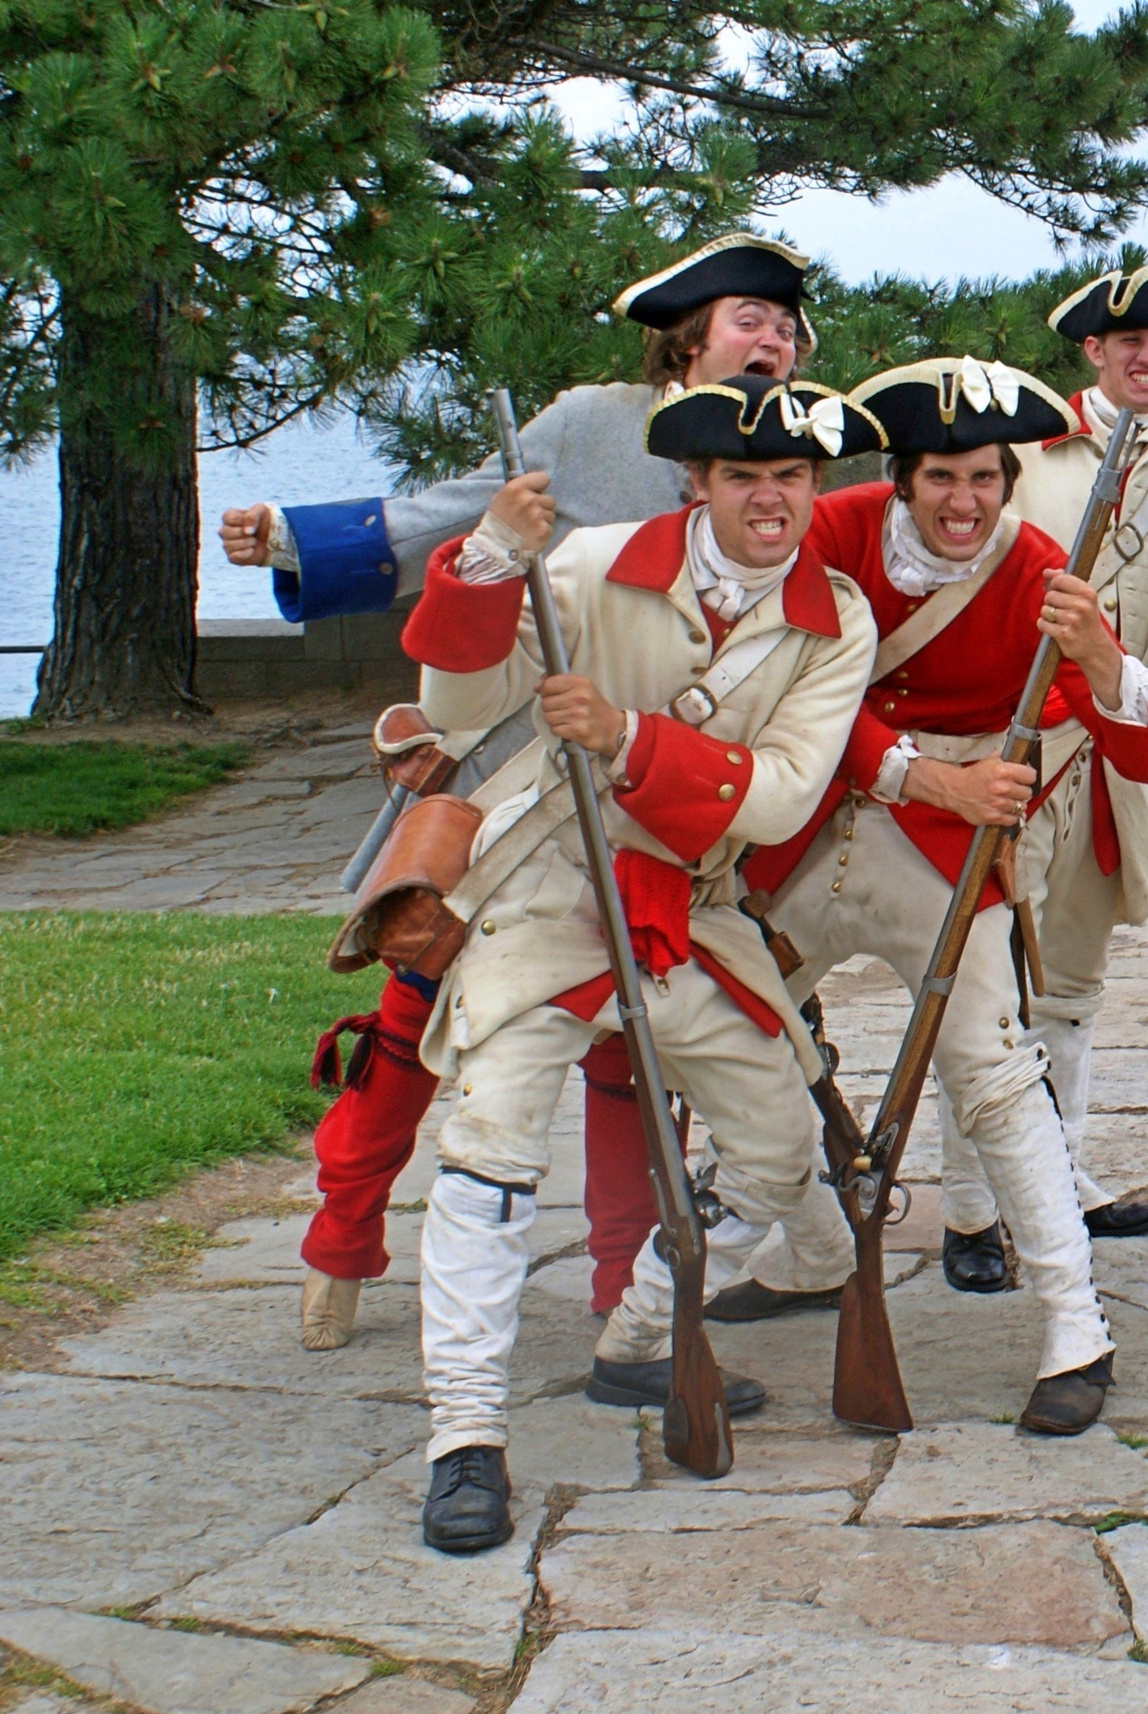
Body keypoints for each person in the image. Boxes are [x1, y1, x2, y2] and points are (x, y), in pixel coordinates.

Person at [272, 235, 824, 1353]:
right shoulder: (584, 423)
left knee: (634, 1064)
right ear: (688, 338)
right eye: (747, 320)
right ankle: (341, 1240)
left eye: (784, 325)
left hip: (668, 800)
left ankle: (629, 1294)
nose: (770, 340)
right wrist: (290, 539)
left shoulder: (798, 443)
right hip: (512, 788)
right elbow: (458, 521)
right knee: (408, 1031)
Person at [401, 373, 878, 1552]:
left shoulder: (840, 618)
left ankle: (638, 1337)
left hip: (689, 900)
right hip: (554, 882)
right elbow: (455, 702)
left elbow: (771, 803)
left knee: (775, 1146)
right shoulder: (588, 564)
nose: (770, 502)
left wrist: (625, 735)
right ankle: (464, 1437)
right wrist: (488, 561)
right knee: (489, 1140)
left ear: (813, 487)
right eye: (743, 478)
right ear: (696, 482)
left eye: (791, 478)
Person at [739, 356, 1148, 1435]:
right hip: (806, 826)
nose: (964, 502)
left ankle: (1075, 1326)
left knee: (994, 1068)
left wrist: (1098, 653)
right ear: (901, 478)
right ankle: (810, 1240)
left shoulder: (1039, 567)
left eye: (985, 478)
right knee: (730, 1029)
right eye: (941, 476)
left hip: (946, 850)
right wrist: (916, 771)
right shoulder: (834, 533)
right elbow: (784, 685)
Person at [851, 259, 1148, 1300]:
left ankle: (1058, 1175)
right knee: (982, 989)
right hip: (1005, 766)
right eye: (1128, 339)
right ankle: (970, 1211)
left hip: (1116, 760)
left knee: (1072, 993)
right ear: (1091, 350)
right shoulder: (1016, 461)